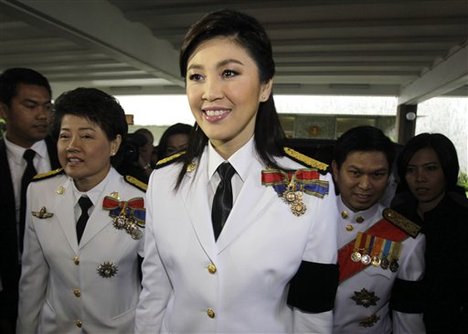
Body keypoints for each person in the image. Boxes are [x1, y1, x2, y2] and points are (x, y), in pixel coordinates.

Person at [135, 9, 339, 333]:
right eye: (196, 76)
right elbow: (154, 295)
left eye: (229, 73)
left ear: (265, 86)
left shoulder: (313, 187)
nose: (210, 93)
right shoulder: (162, 181)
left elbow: (312, 311)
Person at [17, 88, 147, 333]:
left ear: (114, 144)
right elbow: (33, 276)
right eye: (65, 136)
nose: (72, 146)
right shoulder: (40, 191)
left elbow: (155, 283)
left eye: (86, 136)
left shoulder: (141, 199)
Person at [331, 126, 425, 333]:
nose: (365, 185)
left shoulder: (406, 239)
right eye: (355, 173)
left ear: (390, 175)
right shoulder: (306, 221)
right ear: (336, 171)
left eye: (377, 174)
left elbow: (407, 315)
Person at [0, 67, 60, 334]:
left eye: (47, 106)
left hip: (62, 289)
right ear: (3, 111)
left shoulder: (67, 156)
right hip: (6, 289)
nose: (42, 115)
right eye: (31, 106)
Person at [392, 133, 468, 334]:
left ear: (447, 170)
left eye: (430, 168)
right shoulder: (395, 215)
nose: (420, 178)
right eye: (411, 170)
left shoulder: (462, 219)